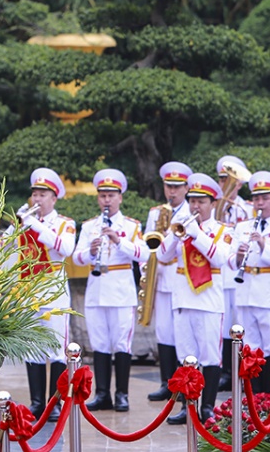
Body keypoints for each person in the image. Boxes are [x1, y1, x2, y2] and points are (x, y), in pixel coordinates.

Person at [72, 169, 146, 412]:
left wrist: (118, 240)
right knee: (100, 344)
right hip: (97, 290)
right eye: (102, 195)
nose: (106, 200)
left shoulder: (131, 226)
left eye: (111, 195)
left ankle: (121, 394)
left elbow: (144, 254)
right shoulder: (89, 226)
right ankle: (102, 394)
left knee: (121, 344)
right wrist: (91, 252)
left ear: (120, 197)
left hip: (122, 291)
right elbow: (77, 257)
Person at [155, 173, 227, 423]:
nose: (196, 206)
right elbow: (162, 256)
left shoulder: (222, 231)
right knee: (187, 357)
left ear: (213, 203)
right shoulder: (181, 225)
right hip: (183, 301)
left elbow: (220, 259)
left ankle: (207, 406)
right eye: (193, 200)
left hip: (208, 303)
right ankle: (188, 407)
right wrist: (176, 235)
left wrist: (197, 234)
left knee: (209, 356)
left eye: (201, 201)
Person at [11, 168, 76, 422]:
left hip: (53, 290)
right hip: (28, 289)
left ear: (54, 198)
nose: (36, 199)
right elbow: (6, 248)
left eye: (43, 194)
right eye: (34, 194)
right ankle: (37, 402)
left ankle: (54, 403)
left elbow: (65, 248)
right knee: (32, 348)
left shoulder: (64, 223)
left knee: (56, 348)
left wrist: (34, 224)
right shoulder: (26, 221)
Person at [227, 170, 270, 393]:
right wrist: (239, 256)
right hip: (247, 292)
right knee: (249, 349)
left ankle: (269, 396)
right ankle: (253, 398)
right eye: (256, 198)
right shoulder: (242, 227)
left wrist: (263, 246)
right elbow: (229, 261)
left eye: (265, 198)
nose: (260, 203)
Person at [145, 161, 193, 402]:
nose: (172, 192)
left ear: (186, 187)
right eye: (168, 186)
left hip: (183, 277)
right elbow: (147, 243)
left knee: (181, 334)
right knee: (163, 331)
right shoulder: (156, 213)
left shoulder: (190, 213)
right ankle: (167, 383)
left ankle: (184, 384)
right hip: (162, 277)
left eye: (177, 187)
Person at [215, 154, 249, 390]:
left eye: (232, 180)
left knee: (238, 323)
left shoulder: (246, 209)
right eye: (222, 180)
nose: (227, 185)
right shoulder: (211, 205)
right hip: (218, 273)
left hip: (238, 274)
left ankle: (239, 369)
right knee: (222, 322)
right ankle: (224, 371)